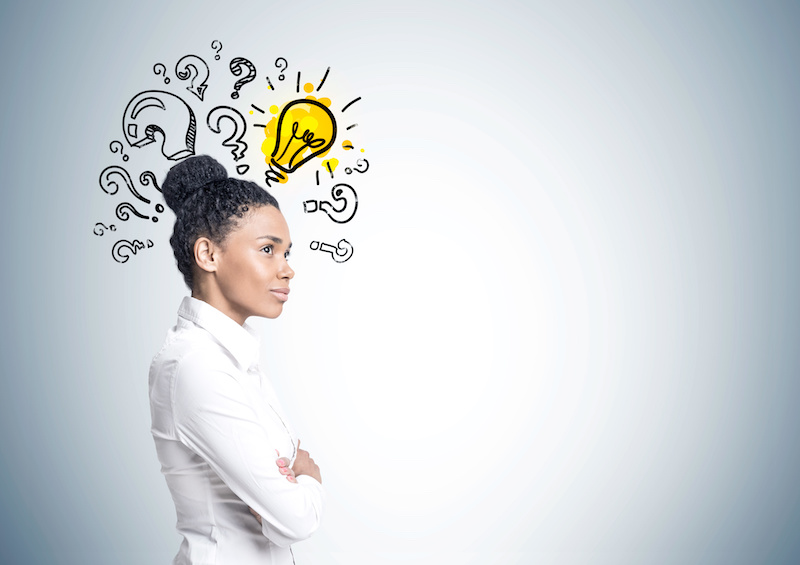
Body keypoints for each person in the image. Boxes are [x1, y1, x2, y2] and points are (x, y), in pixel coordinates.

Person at [149, 155, 323, 565]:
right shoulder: (194, 367)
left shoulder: (235, 359)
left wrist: (285, 490)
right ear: (208, 255)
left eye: (286, 252)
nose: (288, 270)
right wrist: (308, 480)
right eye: (268, 250)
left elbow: (278, 514)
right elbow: (294, 520)